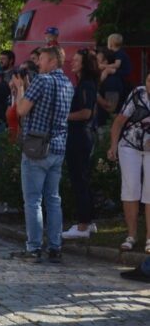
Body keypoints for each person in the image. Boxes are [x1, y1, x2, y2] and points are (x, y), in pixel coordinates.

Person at [10, 46, 74, 263]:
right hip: (58, 146)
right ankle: (55, 247)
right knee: (53, 200)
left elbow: (21, 110)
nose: (38, 63)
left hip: (36, 148)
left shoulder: (41, 81)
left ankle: (34, 248)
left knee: (33, 201)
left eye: (43, 59)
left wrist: (20, 88)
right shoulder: (68, 83)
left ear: (53, 61)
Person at [107, 72, 150, 254]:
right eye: (149, 80)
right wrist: (113, 146)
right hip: (130, 144)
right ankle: (131, 235)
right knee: (130, 188)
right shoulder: (138, 94)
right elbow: (119, 121)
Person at [61, 49, 99, 240]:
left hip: (80, 136)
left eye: (76, 60)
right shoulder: (83, 83)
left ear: (84, 64)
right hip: (79, 135)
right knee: (81, 178)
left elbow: (86, 112)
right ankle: (89, 220)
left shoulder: (86, 85)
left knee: (79, 179)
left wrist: (63, 116)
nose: (72, 62)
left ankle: (83, 224)